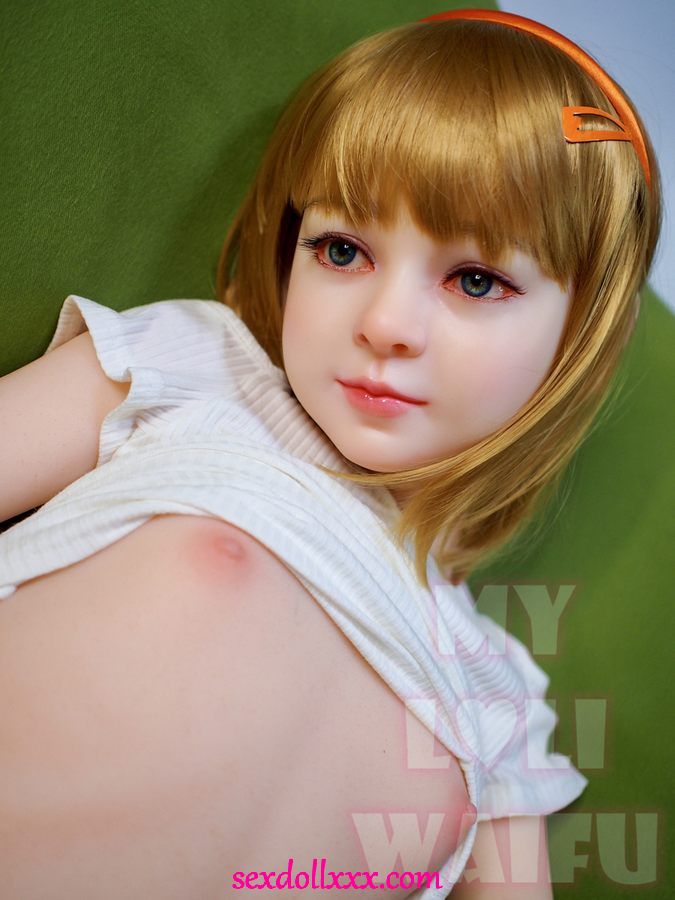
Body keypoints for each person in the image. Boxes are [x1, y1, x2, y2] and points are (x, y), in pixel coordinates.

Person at [0, 8, 660, 898]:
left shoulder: (500, 701)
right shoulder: (198, 371)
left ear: (579, 336)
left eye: (475, 279)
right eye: (342, 249)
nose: (385, 325)